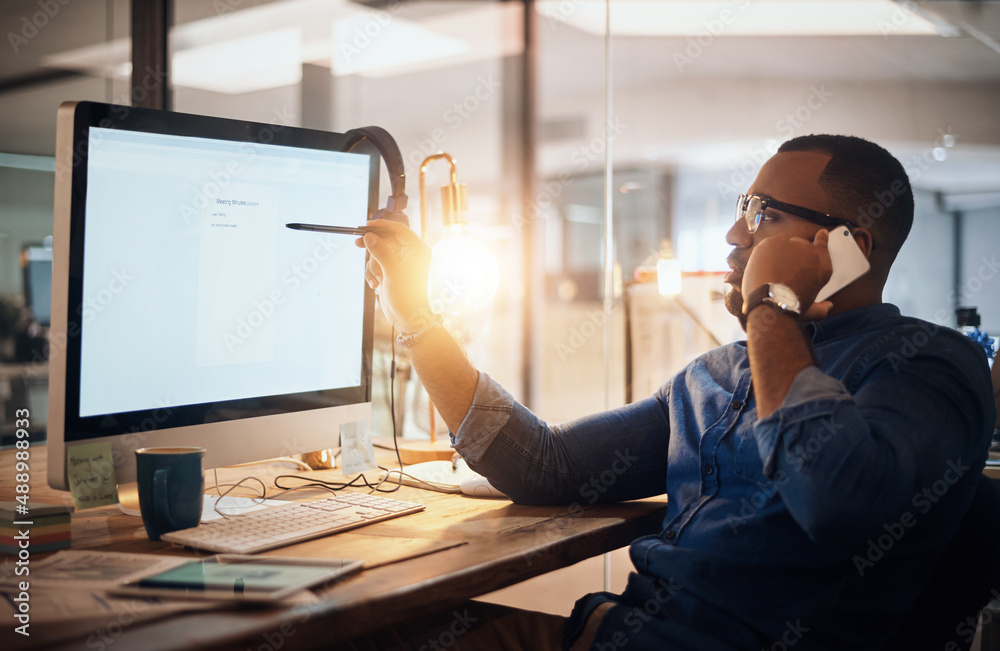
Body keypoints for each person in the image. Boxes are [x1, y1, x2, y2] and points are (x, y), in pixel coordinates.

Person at [352, 135, 996, 650]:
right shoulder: (710, 376)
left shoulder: (928, 363)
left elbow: (833, 497)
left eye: (765, 214)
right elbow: (541, 465)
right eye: (744, 208)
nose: (736, 235)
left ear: (851, 246)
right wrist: (415, 317)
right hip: (618, 631)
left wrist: (774, 308)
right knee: (366, 630)